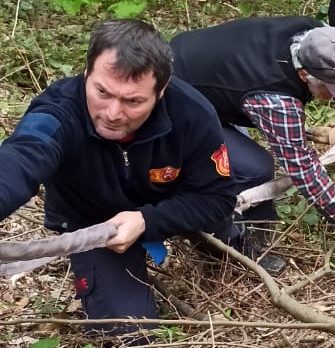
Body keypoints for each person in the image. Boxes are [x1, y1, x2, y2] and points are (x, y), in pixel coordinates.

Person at [0, 19, 244, 340]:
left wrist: (146, 220)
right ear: (87, 73)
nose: (113, 113)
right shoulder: (59, 111)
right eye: (102, 92)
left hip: (169, 201)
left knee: (229, 247)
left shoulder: (191, 114)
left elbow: (216, 198)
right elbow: (22, 158)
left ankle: (228, 244)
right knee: (129, 333)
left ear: (161, 91)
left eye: (133, 101)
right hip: (95, 226)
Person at [170, 17, 335, 246]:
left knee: (246, 158)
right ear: (304, 75)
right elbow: (306, 173)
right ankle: (233, 243)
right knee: (252, 168)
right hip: (174, 93)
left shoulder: (326, 42)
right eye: (332, 92)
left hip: (210, 68)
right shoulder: (276, 100)